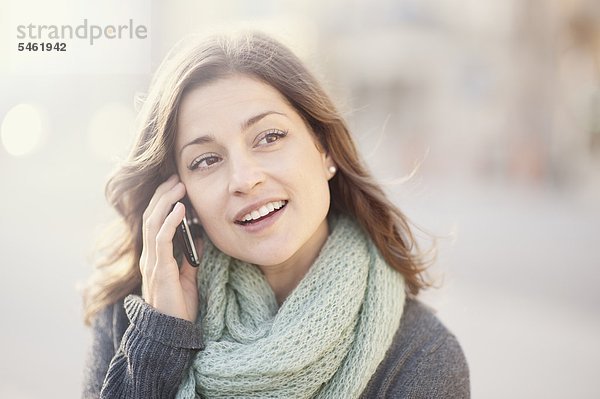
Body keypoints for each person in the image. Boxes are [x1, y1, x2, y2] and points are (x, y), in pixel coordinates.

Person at [82, 31, 470, 398]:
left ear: (325, 149)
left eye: (269, 137)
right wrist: (160, 339)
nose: (244, 179)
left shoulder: (420, 357)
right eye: (206, 160)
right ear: (179, 194)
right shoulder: (136, 317)